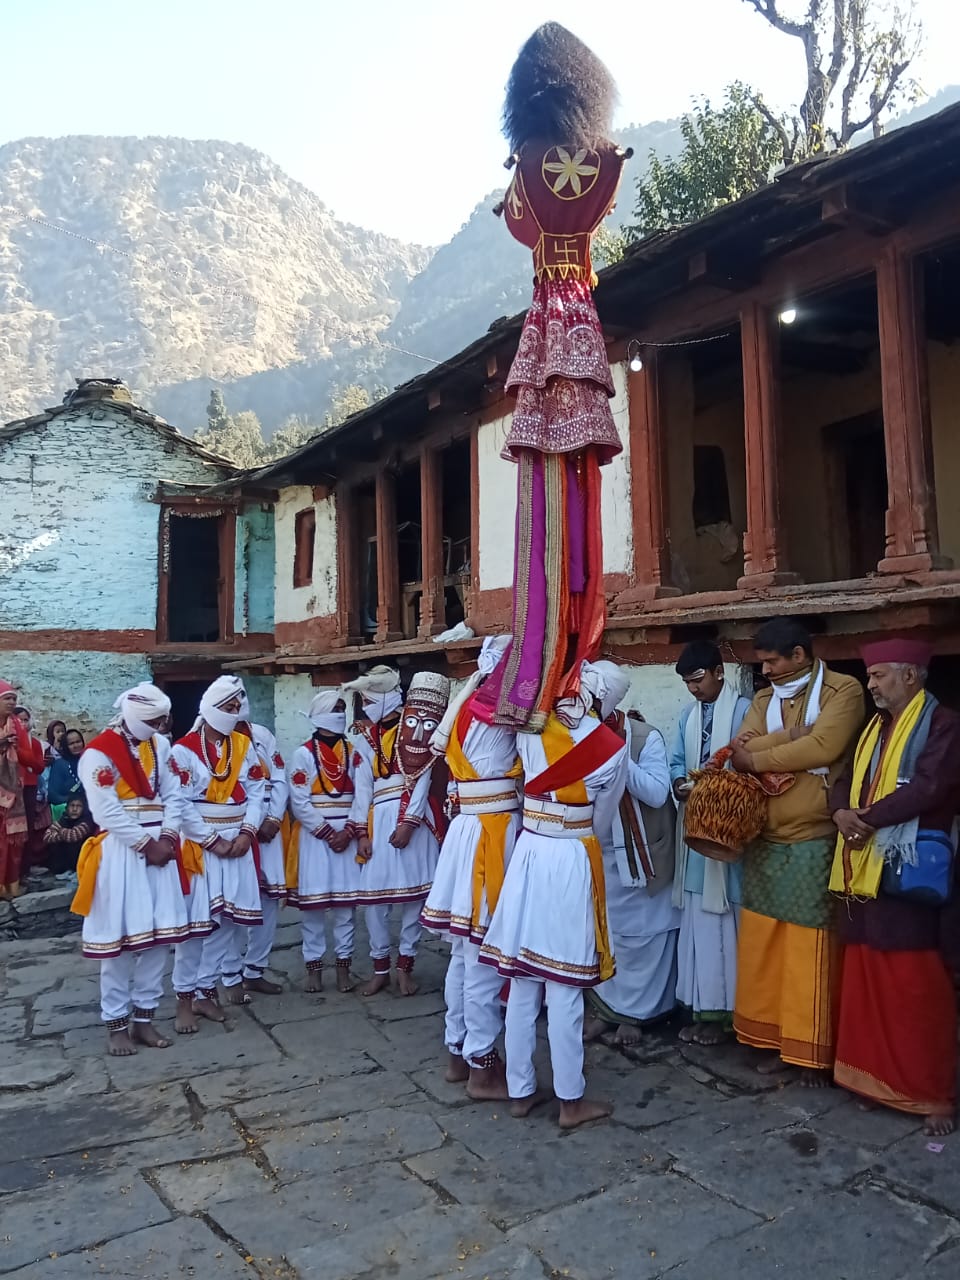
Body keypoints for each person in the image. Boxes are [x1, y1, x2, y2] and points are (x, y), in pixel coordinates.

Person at [480, 661, 628, 1128]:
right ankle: (570, 1100)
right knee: (563, 988)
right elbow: (601, 822)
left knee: (523, 979)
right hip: (570, 856)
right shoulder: (610, 748)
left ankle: (520, 1090)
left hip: (530, 852)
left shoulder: (532, 725)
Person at [830, 639, 960, 1136]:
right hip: (864, 866)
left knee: (917, 982)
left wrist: (865, 819)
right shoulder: (873, 728)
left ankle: (932, 1093)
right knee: (866, 973)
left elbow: (930, 786)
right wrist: (841, 814)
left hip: (911, 866)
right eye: (870, 676)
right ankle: (873, 1081)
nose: (871, 684)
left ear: (911, 676)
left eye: (878, 675)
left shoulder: (944, 724)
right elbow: (843, 779)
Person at [730, 618, 864, 1085]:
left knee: (809, 950)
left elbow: (824, 746)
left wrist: (758, 756)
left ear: (800, 655)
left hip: (813, 839)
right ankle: (771, 1039)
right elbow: (738, 749)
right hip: (764, 839)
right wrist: (791, 738)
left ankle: (810, 1052)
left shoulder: (843, 691)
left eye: (771, 661)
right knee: (764, 946)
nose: (765, 671)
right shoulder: (763, 700)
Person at [421, 636, 520, 1098]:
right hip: (489, 835)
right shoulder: (498, 706)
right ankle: (482, 1065)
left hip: (469, 830)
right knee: (481, 954)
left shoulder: (470, 697)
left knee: (463, 956)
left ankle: (458, 1053)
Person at [70, 684, 191, 1056]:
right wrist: (145, 844)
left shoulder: (161, 747)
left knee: (159, 939)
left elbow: (174, 795)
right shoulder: (98, 753)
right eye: (153, 721)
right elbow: (105, 810)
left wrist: (168, 837)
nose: (159, 726)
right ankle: (116, 1025)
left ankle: (144, 1019)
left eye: (161, 720)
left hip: (162, 849)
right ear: (134, 716)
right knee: (119, 945)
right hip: (122, 852)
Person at [584, 661, 680, 1046]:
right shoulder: (575, 735)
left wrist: (615, 754)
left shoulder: (644, 736)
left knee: (644, 939)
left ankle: (637, 1015)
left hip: (643, 856)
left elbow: (656, 793)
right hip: (599, 853)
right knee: (606, 935)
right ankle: (607, 1011)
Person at [347, 667, 450, 997]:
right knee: (374, 901)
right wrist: (362, 832)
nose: (366, 707)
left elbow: (422, 776)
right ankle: (380, 968)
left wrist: (409, 822)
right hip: (379, 818)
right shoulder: (365, 739)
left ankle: (405, 966)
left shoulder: (419, 728)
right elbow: (362, 789)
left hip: (412, 818)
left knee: (414, 898)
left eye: (369, 700)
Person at [669, 642, 752, 1046]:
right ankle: (702, 1010)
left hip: (727, 836)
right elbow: (675, 762)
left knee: (727, 927)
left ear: (720, 672)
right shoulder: (687, 717)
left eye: (698, 679)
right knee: (698, 929)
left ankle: (731, 1017)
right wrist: (679, 784)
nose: (693, 689)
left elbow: (754, 765)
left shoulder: (744, 712)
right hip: (694, 835)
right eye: (687, 683)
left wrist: (717, 788)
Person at [170, 676, 264, 1032]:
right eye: (227, 707)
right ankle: (184, 998)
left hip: (238, 839)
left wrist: (248, 831)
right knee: (197, 926)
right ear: (209, 709)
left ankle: (205, 991)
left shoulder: (243, 744)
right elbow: (179, 803)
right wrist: (211, 840)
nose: (233, 712)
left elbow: (258, 790)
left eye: (237, 707)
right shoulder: (183, 750)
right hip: (201, 845)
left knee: (227, 921)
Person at [287, 688, 359, 994]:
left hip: (347, 834)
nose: (340, 714)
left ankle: (344, 967)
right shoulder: (302, 754)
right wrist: (328, 833)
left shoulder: (354, 751)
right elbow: (299, 801)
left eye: (343, 709)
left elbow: (362, 793)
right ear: (319, 715)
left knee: (346, 908)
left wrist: (349, 831)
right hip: (316, 838)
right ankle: (313, 967)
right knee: (313, 909)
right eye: (335, 709)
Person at [235, 694, 288, 996]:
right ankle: (228, 973)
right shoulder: (204, 740)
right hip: (232, 827)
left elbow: (279, 778)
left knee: (268, 898)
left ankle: (255, 969)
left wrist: (274, 818)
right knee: (232, 900)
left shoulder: (262, 735)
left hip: (268, 825)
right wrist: (246, 826)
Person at [0, 679, 29, 899]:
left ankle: (10, 886)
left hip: (12, 791)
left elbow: (27, 754)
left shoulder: (15, 724)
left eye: (14, 699)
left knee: (11, 840)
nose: (11, 703)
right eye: (7, 698)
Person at [14, 707, 48, 869]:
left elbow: (39, 767)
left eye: (26, 720)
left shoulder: (34, 743)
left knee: (27, 825)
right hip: (12, 786)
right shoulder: (8, 740)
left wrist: (23, 755)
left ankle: (25, 867)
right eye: (19, 720)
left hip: (29, 787)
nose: (23, 723)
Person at [43, 794, 95, 877]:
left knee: (75, 843)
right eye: (72, 805)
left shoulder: (87, 821)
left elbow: (73, 836)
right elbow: (47, 836)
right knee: (55, 844)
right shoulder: (64, 818)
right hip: (63, 861)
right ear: (67, 807)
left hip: (81, 858)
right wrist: (63, 835)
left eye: (78, 806)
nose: (74, 809)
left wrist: (60, 831)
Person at [48, 728, 86, 810]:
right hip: (69, 810)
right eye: (71, 743)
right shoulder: (60, 765)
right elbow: (53, 795)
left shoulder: (89, 761)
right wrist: (74, 801)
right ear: (65, 746)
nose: (75, 746)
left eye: (78, 742)